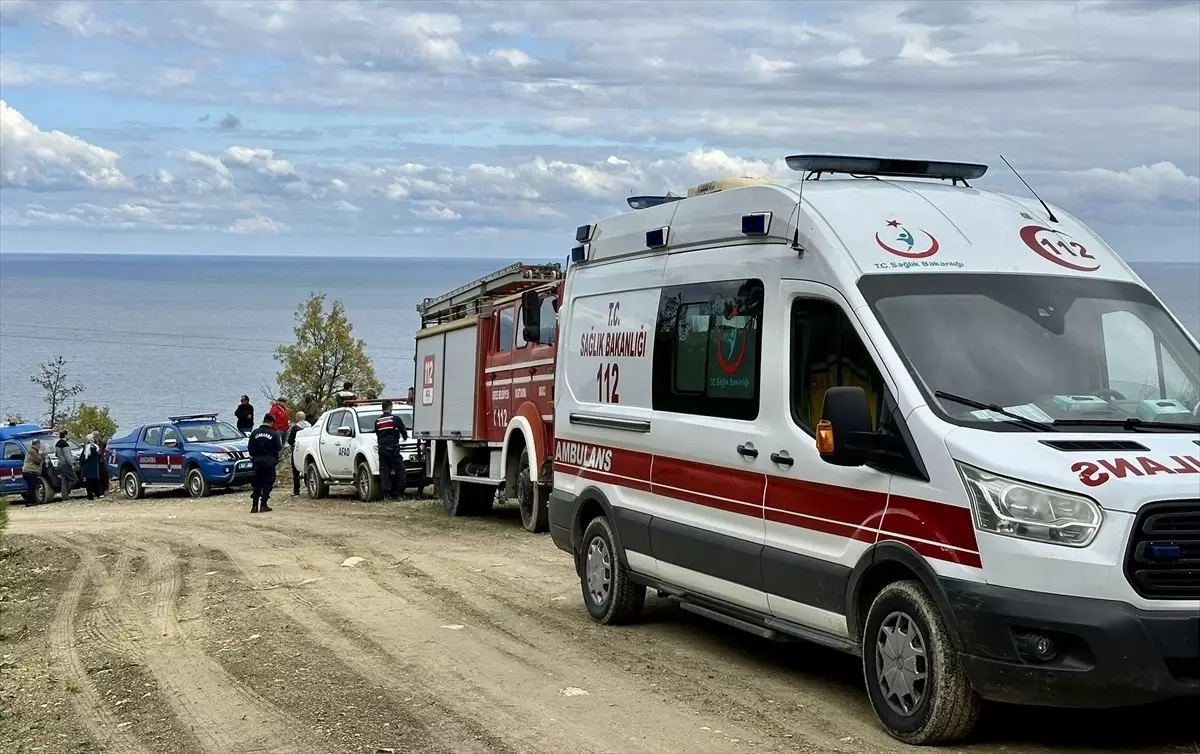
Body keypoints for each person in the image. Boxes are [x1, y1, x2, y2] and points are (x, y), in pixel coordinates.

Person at [374, 399, 408, 501]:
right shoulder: (395, 419)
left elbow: (378, 434)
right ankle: (400, 494)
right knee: (400, 470)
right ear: (391, 407)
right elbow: (404, 432)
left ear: (382, 408)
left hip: (382, 449)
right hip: (393, 449)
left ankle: (386, 495)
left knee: (384, 472)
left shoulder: (378, 421)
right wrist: (404, 437)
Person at [248, 414, 282, 513]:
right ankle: (263, 505)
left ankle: (254, 506)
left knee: (257, 483)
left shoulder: (255, 433)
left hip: (257, 461)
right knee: (268, 483)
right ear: (271, 422)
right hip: (269, 461)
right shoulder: (274, 434)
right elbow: (278, 448)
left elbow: (250, 448)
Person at [286, 410, 311, 496]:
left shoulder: (295, 428)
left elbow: (290, 440)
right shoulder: (310, 427)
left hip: (297, 450)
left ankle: (296, 490)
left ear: (297, 418)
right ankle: (310, 488)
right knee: (309, 469)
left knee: (295, 470)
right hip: (308, 450)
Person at [80, 432, 103, 500]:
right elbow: (99, 455)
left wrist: (81, 464)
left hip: (87, 467)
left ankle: (90, 496)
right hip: (95, 467)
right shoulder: (96, 447)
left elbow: (83, 458)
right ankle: (99, 493)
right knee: (96, 481)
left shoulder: (86, 448)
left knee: (89, 483)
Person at [55, 430, 77, 499]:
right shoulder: (65, 444)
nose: (69, 436)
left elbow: (56, 454)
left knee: (63, 480)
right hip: (65, 464)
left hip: (60, 463)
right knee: (74, 479)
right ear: (65, 435)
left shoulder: (57, 444)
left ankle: (64, 495)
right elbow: (67, 456)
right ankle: (66, 492)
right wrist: (71, 464)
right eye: (68, 435)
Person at [22, 438, 44, 505]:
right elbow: (38, 460)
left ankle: (32, 501)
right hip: (30, 471)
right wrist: (41, 454)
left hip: (29, 471)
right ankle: (30, 502)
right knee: (31, 487)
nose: (40, 446)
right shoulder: (32, 451)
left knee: (32, 486)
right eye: (39, 444)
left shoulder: (32, 450)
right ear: (37, 444)